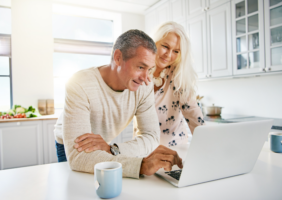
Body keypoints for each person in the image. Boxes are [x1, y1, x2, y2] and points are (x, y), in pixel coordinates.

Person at [54, 29, 183, 179]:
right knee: (79, 187)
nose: (146, 78)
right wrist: (141, 165)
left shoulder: (144, 86)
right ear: (118, 57)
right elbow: (79, 158)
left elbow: (151, 137)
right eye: (140, 67)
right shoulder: (80, 83)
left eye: (150, 69)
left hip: (105, 144)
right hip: (70, 144)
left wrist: (112, 149)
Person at [140, 21, 205, 147]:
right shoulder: (140, 72)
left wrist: (207, 141)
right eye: (165, 46)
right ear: (154, 43)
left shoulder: (178, 75)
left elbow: (192, 112)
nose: (169, 55)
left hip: (175, 148)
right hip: (144, 147)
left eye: (176, 51)